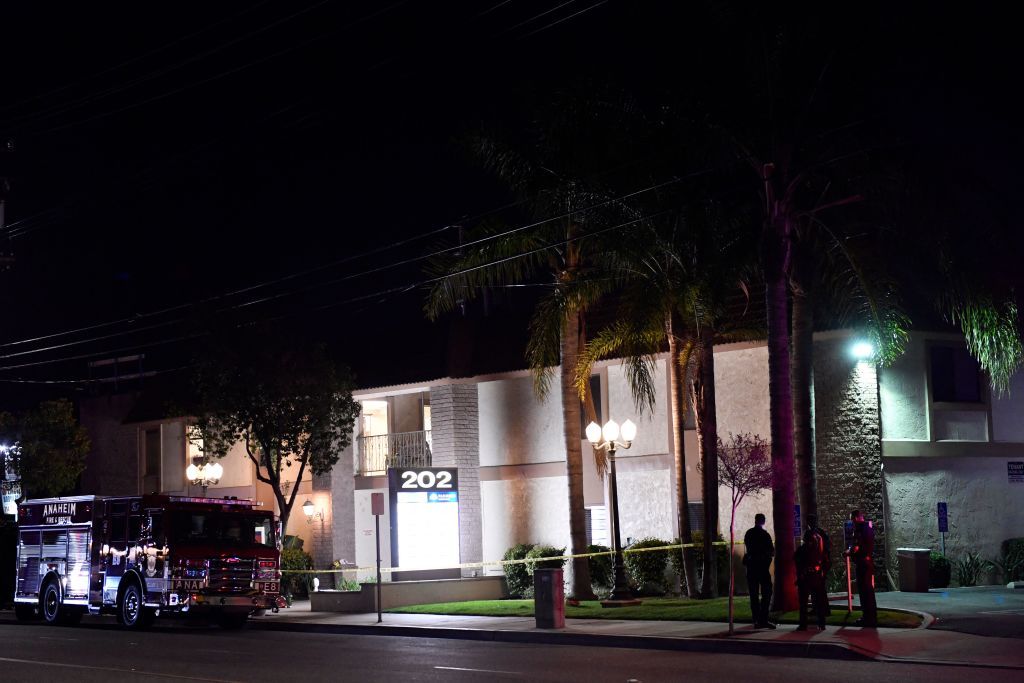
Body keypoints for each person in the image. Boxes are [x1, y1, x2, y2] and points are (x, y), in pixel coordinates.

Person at [845, 509, 877, 627]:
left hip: (864, 563)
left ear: (858, 517)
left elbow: (860, 547)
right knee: (865, 592)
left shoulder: (862, 530)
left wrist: (850, 552)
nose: (852, 521)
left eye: (853, 518)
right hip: (863, 563)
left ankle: (869, 617)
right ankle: (868, 617)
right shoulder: (863, 529)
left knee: (866, 592)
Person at [743, 513, 775, 629]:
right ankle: (762, 619)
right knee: (766, 592)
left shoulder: (749, 533)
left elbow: (748, 548)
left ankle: (757, 619)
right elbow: (771, 551)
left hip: (752, 568)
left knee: (754, 595)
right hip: (761, 568)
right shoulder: (764, 535)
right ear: (763, 521)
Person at [796, 521, 828, 631]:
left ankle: (803, 624)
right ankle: (821, 623)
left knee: (803, 603)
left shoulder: (802, 549)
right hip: (816, 576)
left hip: (806, 577)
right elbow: (825, 561)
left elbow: (796, 559)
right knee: (819, 601)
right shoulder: (819, 549)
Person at [807, 513, 832, 616]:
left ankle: (817, 608)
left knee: (815, 588)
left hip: (815, 564)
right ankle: (823, 609)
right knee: (821, 588)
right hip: (823, 563)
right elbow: (828, 546)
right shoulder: (821, 532)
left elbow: (808, 550)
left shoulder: (810, 534)